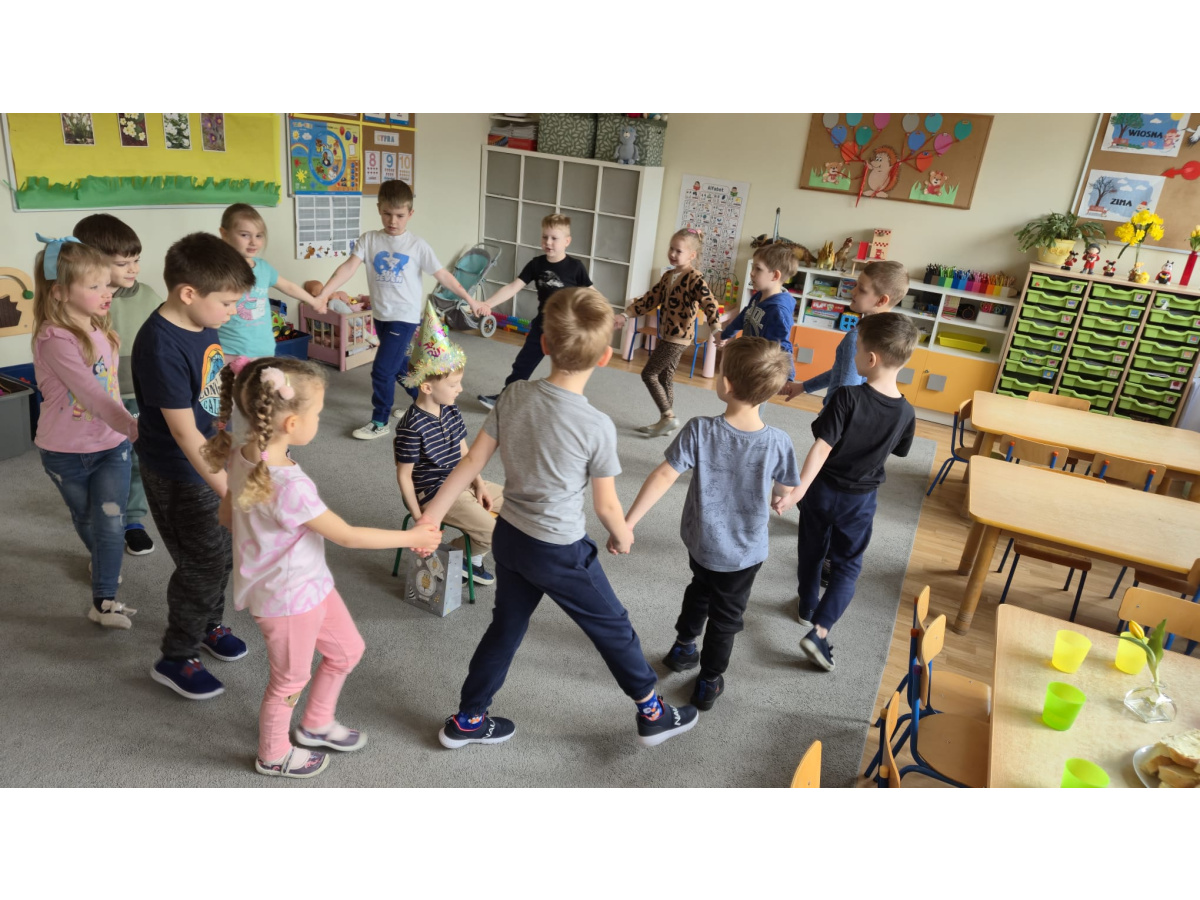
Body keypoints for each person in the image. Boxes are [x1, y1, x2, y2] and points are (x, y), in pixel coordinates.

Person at [419, 287, 699, 750]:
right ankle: (653, 713)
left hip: (511, 538)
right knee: (613, 625)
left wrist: (430, 515)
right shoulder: (596, 425)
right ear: (605, 357)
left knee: (506, 627)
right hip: (559, 550)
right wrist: (622, 533)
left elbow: (471, 464)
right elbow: (606, 505)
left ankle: (468, 719)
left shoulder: (514, 394)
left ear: (545, 344)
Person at [202, 356, 440, 778]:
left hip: (309, 585)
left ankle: (315, 723)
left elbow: (226, 515)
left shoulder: (244, 454)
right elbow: (347, 536)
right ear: (292, 423)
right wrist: (413, 537)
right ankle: (273, 754)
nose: (319, 420)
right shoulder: (289, 485)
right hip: (287, 600)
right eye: (318, 413)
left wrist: (263, 536)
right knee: (289, 681)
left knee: (347, 651)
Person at [622, 337, 798, 711]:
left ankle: (684, 647)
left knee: (700, 588)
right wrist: (782, 498)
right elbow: (786, 490)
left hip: (702, 543)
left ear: (727, 384)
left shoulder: (700, 429)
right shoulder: (779, 442)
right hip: (745, 554)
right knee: (726, 618)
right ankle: (709, 680)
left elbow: (663, 475)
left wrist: (629, 521)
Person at [131, 232, 255, 699]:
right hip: (179, 473)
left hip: (213, 456)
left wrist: (234, 443)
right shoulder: (159, 345)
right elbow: (184, 434)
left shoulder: (203, 321)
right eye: (227, 303)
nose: (233, 312)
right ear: (188, 293)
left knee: (223, 552)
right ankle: (176, 657)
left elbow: (213, 388)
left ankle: (208, 624)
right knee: (201, 563)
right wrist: (228, 490)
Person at [772, 312, 919, 673]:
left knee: (811, 552)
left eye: (856, 351)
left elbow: (821, 448)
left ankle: (807, 606)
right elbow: (898, 451)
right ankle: (820, 630)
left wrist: (796, 492)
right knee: (847, 567)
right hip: (859, 501)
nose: (853, 357)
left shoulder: (846, 397)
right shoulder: (907, 413)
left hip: (821, 492)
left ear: (871, 359)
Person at [314, 180, 491, 440]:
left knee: (382, 370)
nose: (392, 221)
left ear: (410, 213)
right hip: (381, 316)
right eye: (387, 213)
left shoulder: (417, 245)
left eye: (399, 215)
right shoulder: (370, 240)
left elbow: (444, 276)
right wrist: (323, 293)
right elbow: (348, 268)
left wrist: (470, 300)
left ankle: (380, 421)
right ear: (379, 209)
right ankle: (426, 403)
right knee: (397, 367)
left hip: (404, 318)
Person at [31, 235, 139, 628]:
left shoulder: (101, 328)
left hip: (111, 446)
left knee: (111, 521)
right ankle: (101, 558)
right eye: (94, 286)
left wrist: (127, 429)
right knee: (85, 516)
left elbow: (110, 388)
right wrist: (133, 426)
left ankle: (104, 602)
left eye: (106, 283)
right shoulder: (54, 339)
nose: (107, 292)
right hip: (63, 452)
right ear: (59, 292)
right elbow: (92, 394)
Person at [779, 259, 907, 588]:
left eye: (861, 289)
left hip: (840, 425)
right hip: (860, 423)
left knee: (828, 488)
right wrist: (804, 386)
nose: (852, 292)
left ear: (882, 300)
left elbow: (849, 389)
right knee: (832, 488)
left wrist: (830, 425)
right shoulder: (889, 336)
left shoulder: (858, 337)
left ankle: (826, 558)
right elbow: (841, 370)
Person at [395, 303, 504, 586]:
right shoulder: (411, 426)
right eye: (454, 384)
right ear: (427, 387)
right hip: (435, 494)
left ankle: (472, 559)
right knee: (495, 533)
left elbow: (465, 454)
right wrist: (421, 519)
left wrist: (479, 484)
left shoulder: (451, 409)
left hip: (463, 482)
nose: (461, 389)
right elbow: (405, 476)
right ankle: (457, 554)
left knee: (517, 505)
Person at [72, 213, 161, 557]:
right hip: (93, 401)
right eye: (123, 263)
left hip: (137, 396)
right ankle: (100, 514)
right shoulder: (78, 300)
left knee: (136, 460)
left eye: (136, 260)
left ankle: (133, 520)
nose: (134, 269)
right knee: (98, 462)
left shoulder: (148, 294)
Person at [476, 214, 591, 409]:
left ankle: (568, 407)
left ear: (567, 241)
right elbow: (513, 287)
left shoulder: (575, 267)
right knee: (523, 363)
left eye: (554, 238)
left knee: (566, 370)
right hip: (542, 325)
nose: (548, 242)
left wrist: (607, 317)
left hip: (566, 328)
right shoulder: (536, 264)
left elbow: (591, 294)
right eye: (545, 237)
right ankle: (506, 400)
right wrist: (488, 303)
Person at [614, 228, 720, 438]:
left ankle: (668, 417)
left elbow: (710, 303)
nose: (672, 253)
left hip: (678, 337)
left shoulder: (694, 278)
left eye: (678, 251)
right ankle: (666, 421)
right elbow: (649, 299)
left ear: (692, 255)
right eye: (671, 248)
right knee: (665, 377)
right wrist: (626, 315)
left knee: (649, 373)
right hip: (668, 335)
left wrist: (716, 328)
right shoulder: (668, 276)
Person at [216, 203, 327, 359]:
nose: (253, 242)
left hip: (264, 348)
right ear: (225, 234)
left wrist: (314, 301)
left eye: (259, 235)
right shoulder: (218, 270)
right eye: (245, 235)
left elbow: (288, 286)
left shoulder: (263, 268)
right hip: (230, 350)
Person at [717, 243, 798, 380]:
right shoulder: (758, 296)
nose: (752, 273)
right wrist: (725, 334)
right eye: (753, 267)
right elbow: (744, 317)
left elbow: (783, 346)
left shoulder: (777, 311)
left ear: (775, 275)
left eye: (758, 269)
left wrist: (788, 379)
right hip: (748, 361)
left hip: (761, 372)